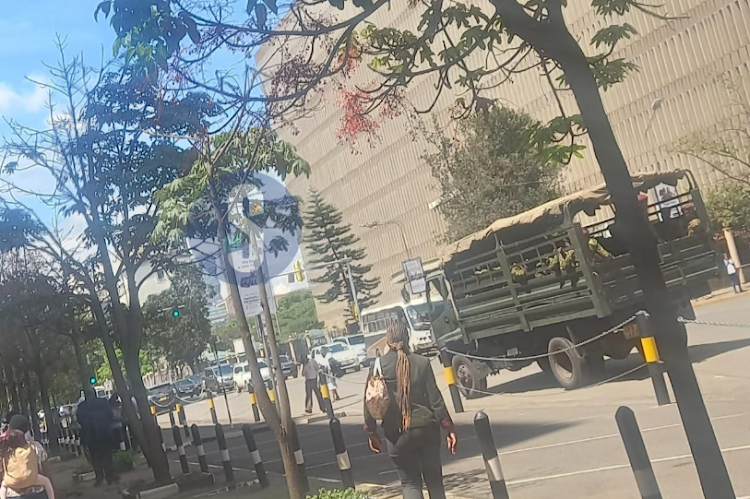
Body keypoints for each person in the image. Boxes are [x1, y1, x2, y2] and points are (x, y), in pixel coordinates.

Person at [364, 323, 457, 499]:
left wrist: (371, 431)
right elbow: (435, 399)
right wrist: (448, 426)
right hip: (426, 428)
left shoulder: (378, 367)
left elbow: (369, 401)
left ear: (388, 341)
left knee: (410, 483)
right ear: (407, 338)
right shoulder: (422, 362)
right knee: (434, 480)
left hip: (396, 433)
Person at [0, 416, 55, 499]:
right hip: (37, 494)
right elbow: (46, 472)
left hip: (12, 494)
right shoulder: (36, 447)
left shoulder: (4, 451)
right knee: (47, 482)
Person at [76, 389, 116, 486]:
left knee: (95, 457)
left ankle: (99, 478)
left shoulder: (82, 406)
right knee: (107, 455)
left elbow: (79, 420)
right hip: (105, 433)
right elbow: (111, 415)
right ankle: (109, 477)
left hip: (91, 436)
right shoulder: (103, 402)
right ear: (95, 394)